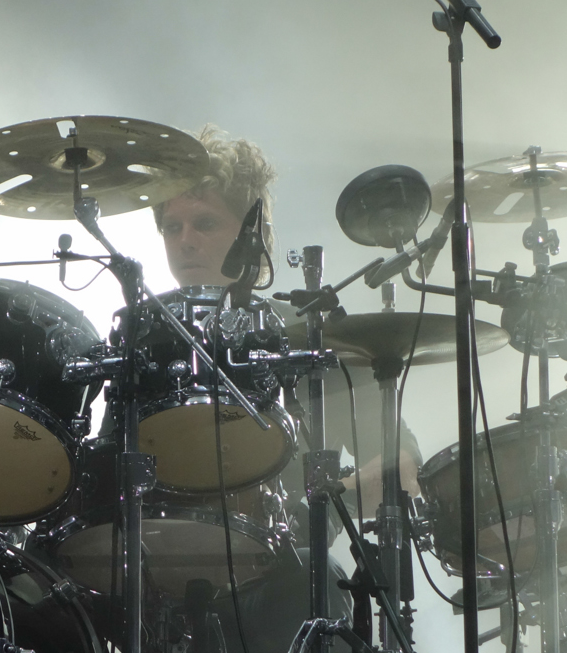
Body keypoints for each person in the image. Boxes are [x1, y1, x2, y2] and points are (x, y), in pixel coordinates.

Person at [153, 126, 422, 506]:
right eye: (171, 227)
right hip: (157, 538)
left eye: (205, 223)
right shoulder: (144, 338)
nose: (185, 241)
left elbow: (398, 466)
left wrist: (320, 505)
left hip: (291, 539)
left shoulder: (311, 334)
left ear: (253, 234)